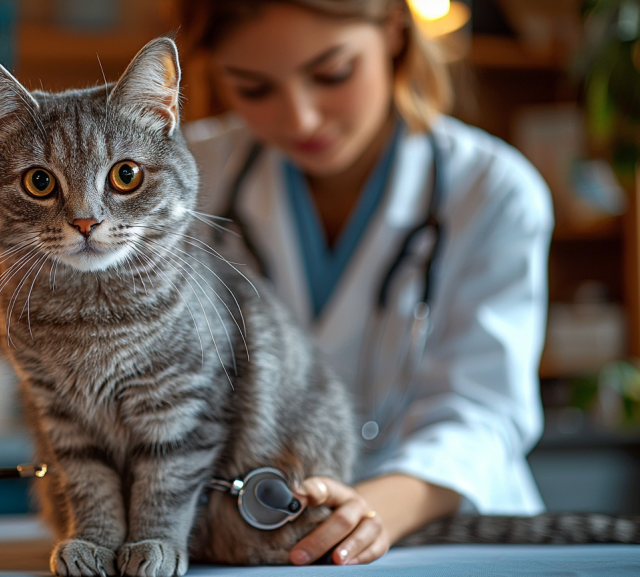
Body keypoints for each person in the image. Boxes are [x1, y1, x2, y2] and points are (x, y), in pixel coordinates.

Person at [179, 0, 552, 567]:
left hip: (451, 538)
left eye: (332, 75)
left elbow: (482, 410)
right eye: (254, 89)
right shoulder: (183, 176)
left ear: (395, 33)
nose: (300, 118)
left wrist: (372, 510)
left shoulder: (493, 190)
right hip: (256, 538)